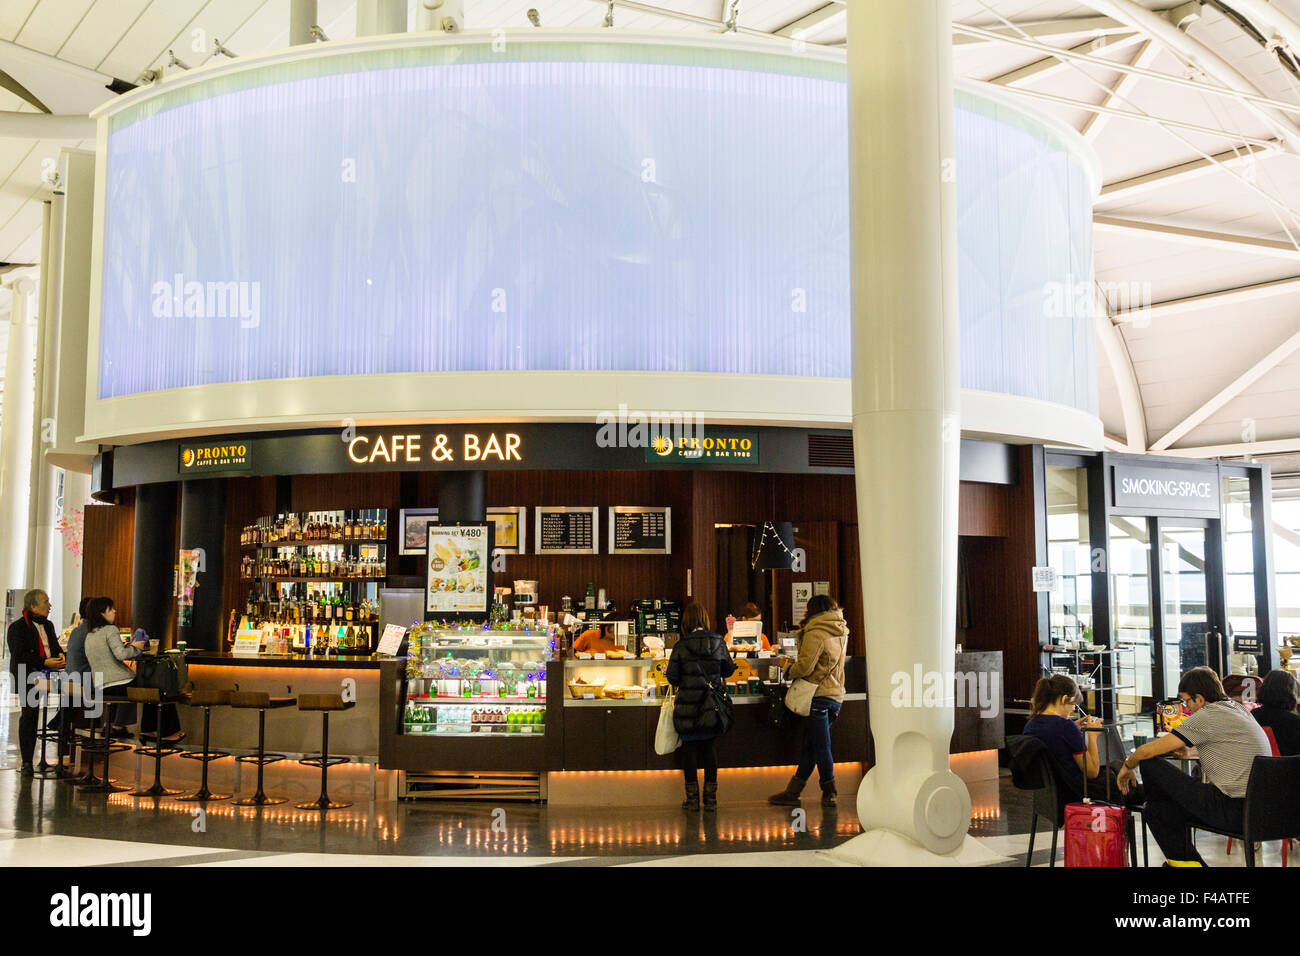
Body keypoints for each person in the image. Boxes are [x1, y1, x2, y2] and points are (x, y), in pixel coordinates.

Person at [1117, 666, 1272, 866]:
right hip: (1261, 810)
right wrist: (1192, 752)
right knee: (1159, 811)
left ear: (1199, 698)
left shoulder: (1208, 714)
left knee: (1149, 763)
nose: (1187, 708)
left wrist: (1127, 765)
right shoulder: (1238, 709)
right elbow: (1229, 747)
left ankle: (1142, 796)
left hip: (1231, 809)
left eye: (1187, 701)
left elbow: (1147, 751)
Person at [768, 594, 848, 808]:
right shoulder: (841, 630)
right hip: (836, 696)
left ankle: (829, 791)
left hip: (818, 696)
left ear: (812, 610)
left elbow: (805, 667)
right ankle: (793, 792)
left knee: (821, 746)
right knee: (811, 746)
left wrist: (787, 669)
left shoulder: (816, 632)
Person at [1019, 673, 1141, 805]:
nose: (1073, 708)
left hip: (1052, 791)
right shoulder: (1066, 727)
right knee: (1133, 784)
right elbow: (1093, 772)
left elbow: (1055, 739)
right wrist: (1092, 735)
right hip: (1079, 791)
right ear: (1064, 699)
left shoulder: (1031, 724)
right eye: (1073, 704)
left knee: (1117, 767)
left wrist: (1074, 729)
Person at [666, 603, 735, 812]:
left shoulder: (681, 645)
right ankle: (711, 801)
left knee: (690, 752)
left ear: (685, 622)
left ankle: (693, 801)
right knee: (709, 749)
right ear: (705, 619)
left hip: (688, 706)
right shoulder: (717, 641)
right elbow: (729, 670)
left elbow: (672, 677)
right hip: (711, 705)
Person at [5, 589, 64, 774]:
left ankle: (57, 726)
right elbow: (20, 656)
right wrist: (43, 662)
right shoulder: (17, 627)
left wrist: (60, 656)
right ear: (33, 606)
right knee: (30, 714)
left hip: (49, 673)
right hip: (28, 674)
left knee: (73, 698)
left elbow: (53, 648)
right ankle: (28, 761)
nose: (50, 605)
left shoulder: (48, 625)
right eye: (46, 601)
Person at [82, 597, 147, 736]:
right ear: (102, 614)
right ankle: (127, 727)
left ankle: (110, 724)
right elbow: (121, 655)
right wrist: (136, 647)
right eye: (110, 609)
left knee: (120, 690)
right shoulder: (111, 629)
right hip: (119, 682)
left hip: (100, 685)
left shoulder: (90, 635)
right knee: (149, 687)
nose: (114, 611)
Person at [1251, 669, 1300, 756]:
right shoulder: (1295, 722)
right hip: (1290, 767)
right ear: (1292, 693)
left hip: (1259, 767)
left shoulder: (1252, 716)